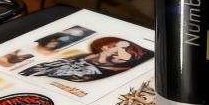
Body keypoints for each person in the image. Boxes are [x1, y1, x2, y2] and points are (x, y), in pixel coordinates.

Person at [21, 37, 152, 83]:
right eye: (112, 46)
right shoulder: (82, 56)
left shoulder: (94, 69)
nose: (114, 51)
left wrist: (116, 49)